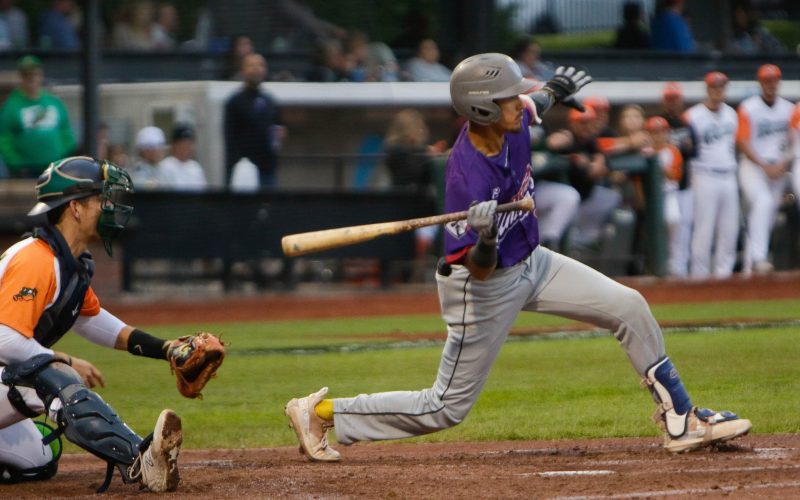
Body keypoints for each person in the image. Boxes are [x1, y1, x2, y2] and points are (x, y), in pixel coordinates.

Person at [284, 53, 751, 462]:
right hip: (482, 285)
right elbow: (478, 266)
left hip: (533, 261)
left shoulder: (513, 117)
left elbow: (535, 103)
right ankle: (322, 413)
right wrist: (483, 235)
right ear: (482, 107)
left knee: (629, 305)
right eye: (509, 97)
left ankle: (681, 418)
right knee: (445, 406)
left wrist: (553, 90)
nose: (519, 102)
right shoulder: (466, 175)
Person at [0, 157, 185, 491]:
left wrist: (166, 349)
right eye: (100, 199)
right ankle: (140, 459)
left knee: (35, 460)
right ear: (75, 208)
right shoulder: (35, 259)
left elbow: (94, 322)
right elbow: (4, 339)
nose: (108, 207)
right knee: (52, 374)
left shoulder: (67, 263)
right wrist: (64, 360)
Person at [737, 64, 794, 275]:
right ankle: (759, 259)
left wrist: (784, 163)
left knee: (765, 217)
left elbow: (793, 141)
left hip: (779, 167)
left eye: (774, 80)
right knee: (763, 202)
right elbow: (742, 140)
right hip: (753, 166)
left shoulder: (789, 109)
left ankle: (749, 268)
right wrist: (764, 165)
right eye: (767, 80)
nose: (771, 84)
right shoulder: (748, 107)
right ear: (760, 83)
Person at [683, 72, 739, 279]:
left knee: (729, 229)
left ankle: (724, 274)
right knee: (704, 228)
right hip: (703, 173)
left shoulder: (732, 114)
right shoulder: (693, 115)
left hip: (728, 173)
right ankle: (699, 276)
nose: (718, 90)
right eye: (714, 87)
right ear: (707, 89)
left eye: (721, 86)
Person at [547, 106, 622, 250]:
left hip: (585, 198)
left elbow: (602, 157)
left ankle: (584, 238)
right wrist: (576, 160)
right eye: (582, 122)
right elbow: (555, 156)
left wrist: (599, 161)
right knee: (568, 200)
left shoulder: (590, 140)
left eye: (589, 122)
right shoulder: (565, 138)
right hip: (560, 197)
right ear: (572, 123)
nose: (586, 126)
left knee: (611, 197)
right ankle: (564, 242)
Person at [0, 56, 76, 178]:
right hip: (26, 170)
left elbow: (66, 130)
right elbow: (4, 138)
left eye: (35, 74)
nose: (32, 78)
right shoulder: (11, 106)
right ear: (22, 77)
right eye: (27, 75)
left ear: (41, 75)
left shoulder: (53, 102)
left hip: (55, 166)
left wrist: (63, 153)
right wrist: (16, 163)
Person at [224, 53, 285, 188]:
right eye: (251, 65)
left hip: (267, 170)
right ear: (243, 70)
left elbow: (277, 128)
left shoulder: (270, 101)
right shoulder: (235, 102)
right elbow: (230, 139)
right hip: (245, 170)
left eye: (260, 65)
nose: (256, 69)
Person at [659, 82, 695, 277]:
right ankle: (667, 268)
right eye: (669, 99)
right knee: (671, 223)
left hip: (684, 183)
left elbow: (694, 151)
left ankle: (680, 269)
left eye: (675, 99)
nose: (672, 103)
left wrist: (683, 148)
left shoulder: (686, 123)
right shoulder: (659, 122)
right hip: (665, 188)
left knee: (684, 227)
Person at [645, 116, 684, 277]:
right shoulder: (644, 151)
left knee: (673, 219)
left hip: (669, 194)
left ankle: (674, 265)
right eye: (654, 132)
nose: (658, 135)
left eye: (661, 131)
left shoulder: (672, 151)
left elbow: (674, 175)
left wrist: (658, 163)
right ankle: (654, 266)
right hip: (651, 197)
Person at [159, 123, 208, 191]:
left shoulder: (196, 167)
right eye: (183, 144)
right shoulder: (165, 166)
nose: (187, 147)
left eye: (190, 143)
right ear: (174, 145)